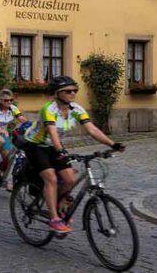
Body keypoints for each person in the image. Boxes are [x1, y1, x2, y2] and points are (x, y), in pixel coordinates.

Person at [20, 76, 124, 235]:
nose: (73, 93)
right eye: (68, 91)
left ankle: (58, 200)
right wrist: (60, 151)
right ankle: (54, 219)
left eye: (75, 90)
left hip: (55, 146)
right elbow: (52, 132)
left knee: (69, 179)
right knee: (51, 178)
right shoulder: (49, 109)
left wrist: (112, 144)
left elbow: (92, 129)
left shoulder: (76, 109)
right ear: (57, 93)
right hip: (36, 145)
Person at [0, 88, 28, 174]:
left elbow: (21, 118)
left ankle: (2, 176)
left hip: (3, 133)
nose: (9, 102)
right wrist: (0, 129)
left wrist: (31, 125)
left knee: (8, 157)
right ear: (1, 100)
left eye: (11, 100)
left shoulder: (13, 108)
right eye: (6, 100)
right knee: (1, 141)